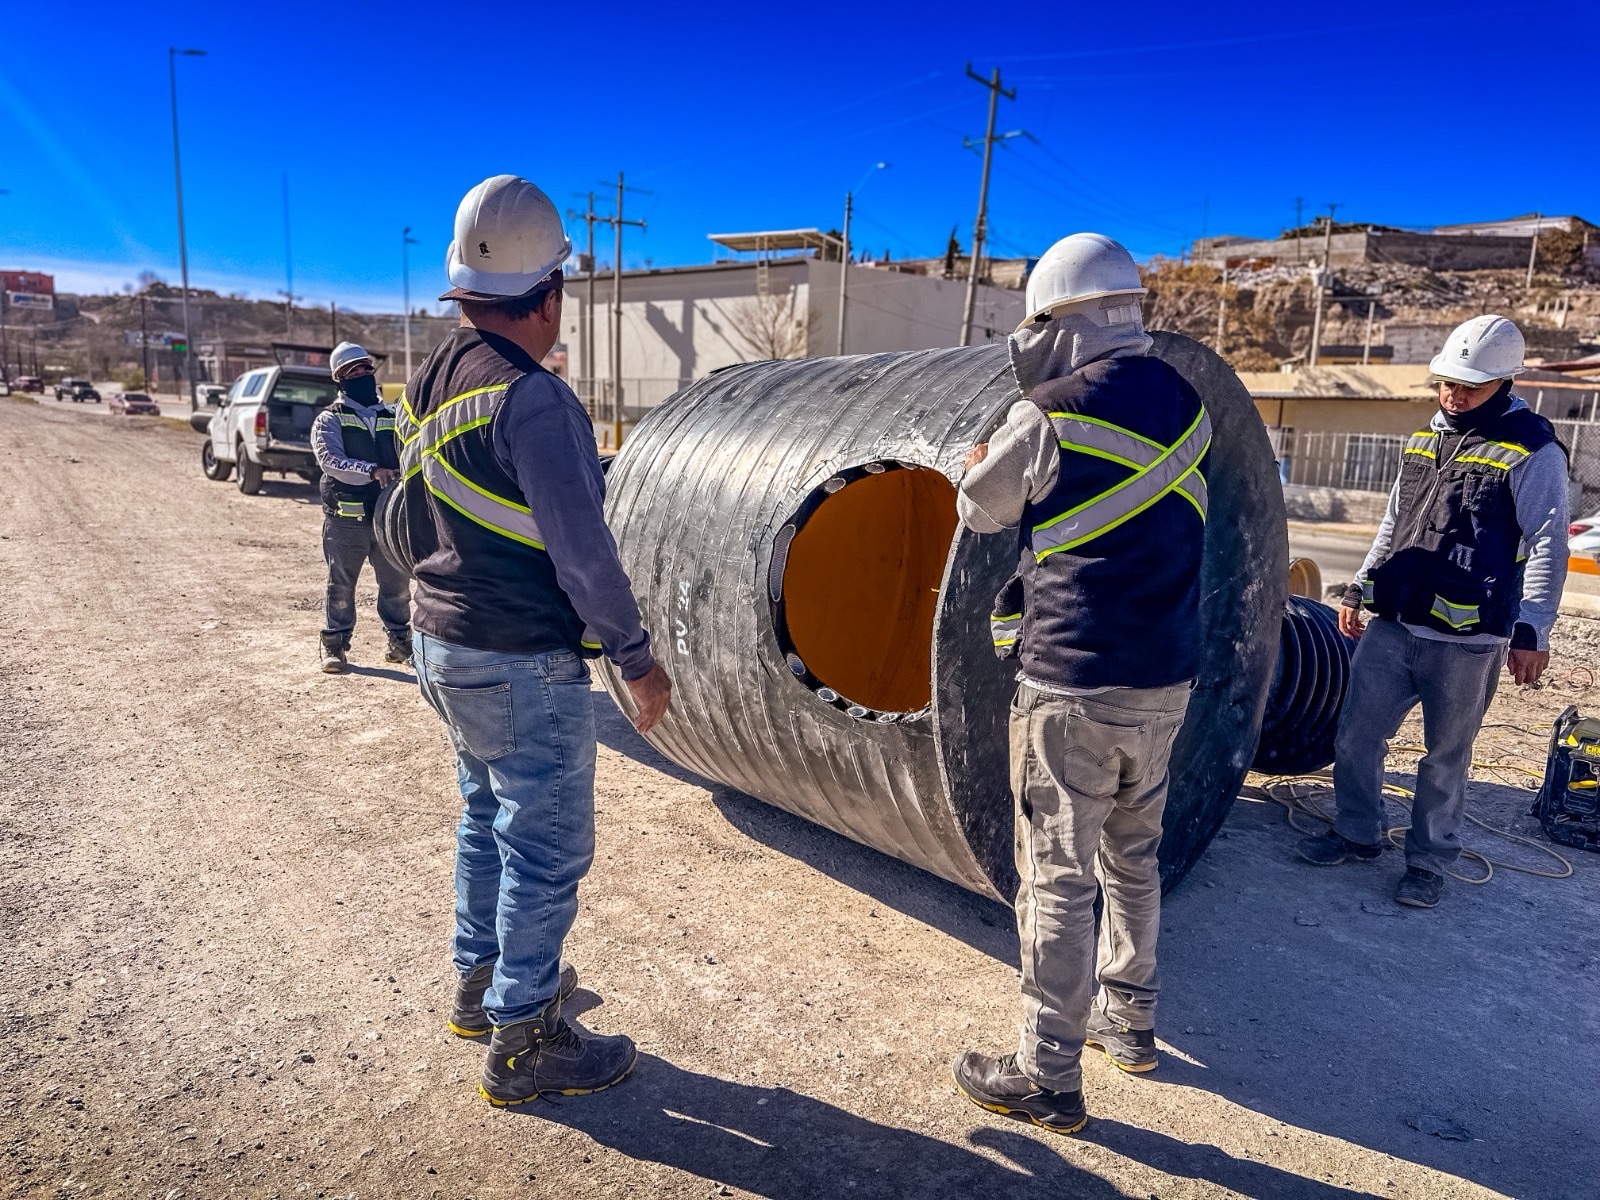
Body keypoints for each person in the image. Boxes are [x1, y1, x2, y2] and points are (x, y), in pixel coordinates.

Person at [377, 174, 671, 1107]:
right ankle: (525, 1038)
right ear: (547, 296)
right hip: (518, 659)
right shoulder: (534, 402)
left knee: (485, 818)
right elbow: (586, 556)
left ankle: (481, 986)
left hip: (445, 642)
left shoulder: (431, 376)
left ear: (466, 294)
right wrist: (635, 657)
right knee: (545, 846)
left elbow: (404, 516)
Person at [949, 233, 1209, 1135]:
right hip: (1165, 680)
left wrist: (985, 454)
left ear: (1060, 321)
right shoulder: (1191, 405)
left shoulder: (1049, 412)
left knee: (1058, 877)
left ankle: (1047, 1072)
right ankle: (1129, 1024)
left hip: (1072, 683)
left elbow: (979, 508)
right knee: (1134, 857)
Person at [1298, 315, 1568, 908]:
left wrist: (1534, 628)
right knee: (1357, 735)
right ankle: (1356, 832)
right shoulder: (1424, 439)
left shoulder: (1532, 449)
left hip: (1469, 641)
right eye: (1447, 381)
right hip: (1395, 624)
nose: (1455, 393)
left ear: (1504, 382)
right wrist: (1360, 587)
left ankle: (1428, 860)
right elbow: (1394, 523)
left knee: (1445, 755)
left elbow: (1549, 539)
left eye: (1470, 384)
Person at [310, 342, 412, 672]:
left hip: (388, 521)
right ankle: (335, 646)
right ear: (339, 379)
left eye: (366, 368)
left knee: (397, 588)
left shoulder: (393, 415)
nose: (362, 374)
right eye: (353, 371)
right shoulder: (330, 419)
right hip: (346, 521)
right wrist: (371, 470)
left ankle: (399, 643)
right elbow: (331, 461)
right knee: (340, 586)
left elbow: (411, 449)